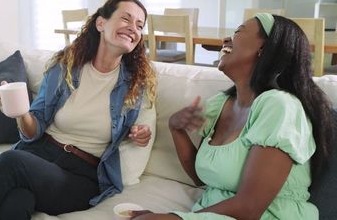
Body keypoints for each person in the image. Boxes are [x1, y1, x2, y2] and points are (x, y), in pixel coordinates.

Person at [0, 0, 157, 220]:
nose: (133, 29)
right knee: (17, 201)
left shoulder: (136, 84)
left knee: (9, 161)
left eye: (139, 26)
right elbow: (33, 129)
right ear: (101, 23)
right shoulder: (66, 67)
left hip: (81, 175)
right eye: (126, 19)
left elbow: (139, 129)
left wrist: (141, 134)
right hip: (39, 154)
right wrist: (21, 112)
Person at [131, 14, 335, 220]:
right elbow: (202, 177)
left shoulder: (279, 106)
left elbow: (251, 207)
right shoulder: (219, 104)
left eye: (238, 32)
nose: (226, 40)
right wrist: (177, 130)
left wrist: (174, 217)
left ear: (264, 49)